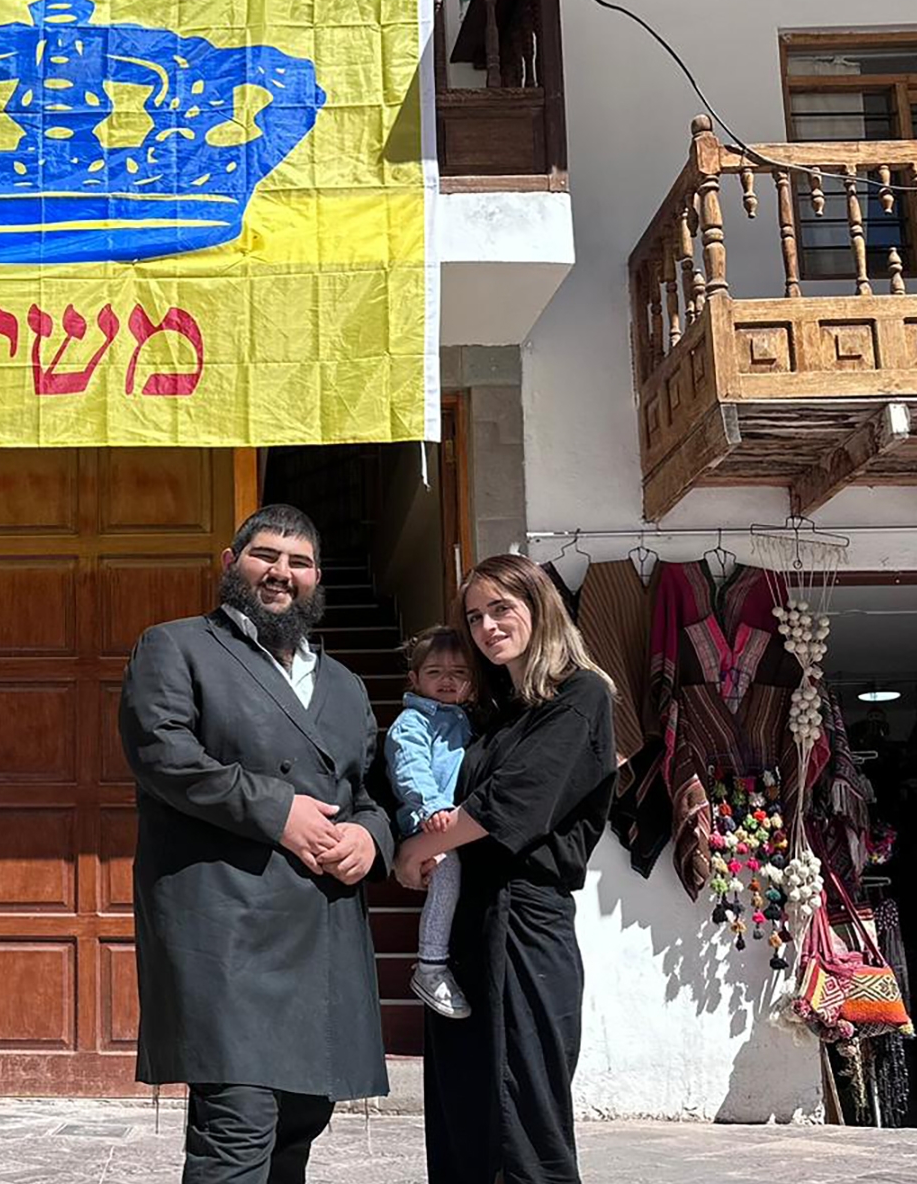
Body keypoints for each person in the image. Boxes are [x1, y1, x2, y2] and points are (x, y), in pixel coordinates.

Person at [119, 503, 391, 1184]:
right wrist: (279, 813)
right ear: (229, 563)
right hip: (227, 932)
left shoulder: (347, 686)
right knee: (238, 1123)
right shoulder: (175, 646)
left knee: (302, 1119)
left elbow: (373, 792)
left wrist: (369, 836)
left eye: (298, 562)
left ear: (316, 578)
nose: (281, 573)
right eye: (265, 555)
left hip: (319, 931)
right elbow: (164, 754)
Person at [393, 554, 616, 1184]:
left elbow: (514, 800)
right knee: (463, 1109)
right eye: (475, 616)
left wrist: (415, 851)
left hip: (524, 920)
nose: (488, 626)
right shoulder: (492, 711)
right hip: (468, 921)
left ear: (538, 606)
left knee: (521, 1107)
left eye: (501, 609)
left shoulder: (580, 694)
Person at [386, 625, 475, 1019]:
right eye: (436, 672)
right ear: (415, 679)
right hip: (428, 821)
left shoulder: (466, 719)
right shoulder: (412, 723)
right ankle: (430, 965)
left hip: (459, 822)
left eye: (458, 673)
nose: (447, 680)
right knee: (447, 871)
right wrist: (431, 807)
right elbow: (411, 769)